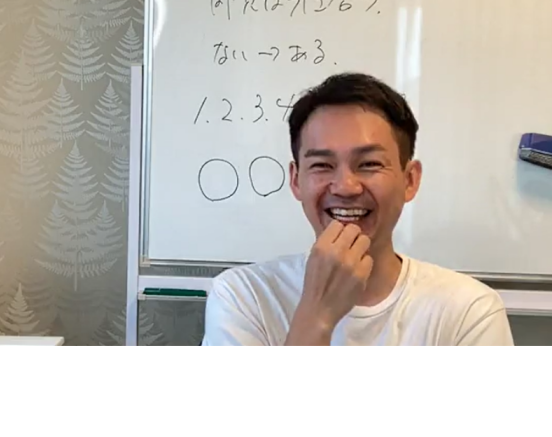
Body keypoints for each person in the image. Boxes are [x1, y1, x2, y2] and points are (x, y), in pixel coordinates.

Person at [201, 72, 514, 346]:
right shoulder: (243, 297)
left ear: (409, 180)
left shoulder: (468, 310)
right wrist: (317, 315)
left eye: (369, 164)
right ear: (296, 180)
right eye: (322, 165)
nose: (345, 187)